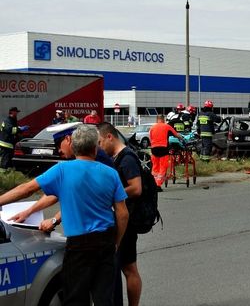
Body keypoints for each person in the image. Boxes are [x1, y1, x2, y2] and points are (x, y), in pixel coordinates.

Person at [0, 125, 129, 306]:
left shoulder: (62, 171)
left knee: (75, 297)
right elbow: (123, 213)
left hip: (78, 245)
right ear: (95, 148)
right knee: (104, 297)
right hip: (105, 241)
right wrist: (116, 242)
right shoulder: (110, 173)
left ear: (74, 146)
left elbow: (26, 189)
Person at [9, 122, 115, 230]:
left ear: (68, 139)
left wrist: (55, 220)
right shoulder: (86, 159)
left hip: (88, 232)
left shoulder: (94, 160)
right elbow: (54, 194)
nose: (59, 150)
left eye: (58, 144)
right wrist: (28, 211)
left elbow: (81, 198)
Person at [97, 122, 143, 306]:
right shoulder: (116, 157)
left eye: (100, 142)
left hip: (128, 221)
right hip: (120, 218)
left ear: (110, 137)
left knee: (129, 268)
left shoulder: (127, 158)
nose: (99, 147)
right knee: (124, 266)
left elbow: (136, 188)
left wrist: (113, 194)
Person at [149, 114, 179, 191]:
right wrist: (181, 138)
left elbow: (151, 138)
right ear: (163, 119)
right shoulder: (166, 126)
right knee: (163, 167)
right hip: (163, 149)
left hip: (154, 149)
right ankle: (158, 185)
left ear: (157, 119)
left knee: (155, 167)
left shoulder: (152, 128)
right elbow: (176, 135)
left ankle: (152, 184)